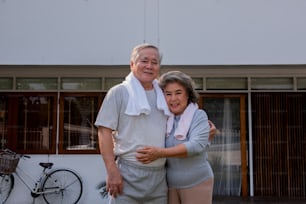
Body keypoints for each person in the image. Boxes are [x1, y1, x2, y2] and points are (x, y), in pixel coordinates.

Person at [95, 43, 171, 204]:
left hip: (160, 177)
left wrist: (205, 129)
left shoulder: (165, 94)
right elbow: (104, 131)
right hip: (127, 175)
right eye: (144, 61)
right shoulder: (119, 92)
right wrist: (111, 170)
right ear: (132, 64)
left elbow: (184, 118)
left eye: (154, 62)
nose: (149, 66)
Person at [136, 70, 214, 204]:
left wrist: (159, 153)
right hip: (170, 184)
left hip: (197, 181)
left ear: (188, 94)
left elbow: (195, 146)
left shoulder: (198, 115)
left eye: (178, 93)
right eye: (168, 94)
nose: (173, 99)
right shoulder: (163, 118)